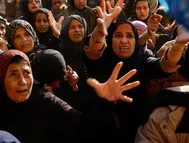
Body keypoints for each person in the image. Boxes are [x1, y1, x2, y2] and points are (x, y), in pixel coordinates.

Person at [84, 0, 189, 142]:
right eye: (118, 35)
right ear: (110, 40)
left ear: (136, 41)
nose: (124, 40)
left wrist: (179, 45)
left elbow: (164, 67)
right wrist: (99, 32)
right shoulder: (103, 59)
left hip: (137, 132)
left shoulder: (142, 59)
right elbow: (93, 52)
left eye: (130, 36)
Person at [0, 49, 139, 142]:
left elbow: (83, 124)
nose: (23, 81)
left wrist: (106, 101)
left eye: (26, 73)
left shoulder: (46, 100)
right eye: (13, 74)